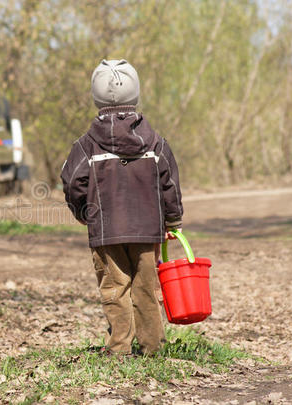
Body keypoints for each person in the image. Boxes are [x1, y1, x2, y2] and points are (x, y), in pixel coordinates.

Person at [60, 59, 183, 355]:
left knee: (115, 290)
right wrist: (173, 220)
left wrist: (83, 213)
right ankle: (153, 347)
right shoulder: (156, 143)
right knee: (145, 288)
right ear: (136, 95)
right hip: (146, 231)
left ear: (95, 98)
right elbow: (170, 184)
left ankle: (119, 349)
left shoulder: (86, 146)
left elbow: (72, 182)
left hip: (106, 231)